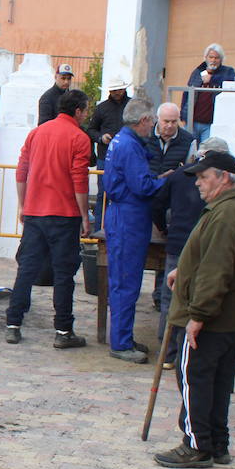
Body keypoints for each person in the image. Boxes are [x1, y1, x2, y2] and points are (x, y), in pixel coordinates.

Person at [153, 150, 235, 468]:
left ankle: (197, 445)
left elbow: (217, 268)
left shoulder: (227, 213)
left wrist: (198, 315)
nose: (198, 182)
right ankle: (215, 443)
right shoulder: (232, 207)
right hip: (230, 313)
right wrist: (182, 271)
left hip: (216, 314)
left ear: (224, 177)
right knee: (216, 380)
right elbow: (210, 257)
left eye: (204, 176)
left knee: (195, 377)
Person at [4, 89, 92, 348]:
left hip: (35, 212)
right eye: (85, 110)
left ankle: (13, 323)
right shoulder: (79, 137)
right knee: (64, 274)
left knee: (26, 270)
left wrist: (23, 204)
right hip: (64, 215)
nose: (86, 115)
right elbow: (80, 181)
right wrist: (85, 216)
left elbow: (22, 171)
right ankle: (63, 331)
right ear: (77, 111)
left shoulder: (37, 133)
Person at [153, 137, 230, 370]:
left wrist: (164, 228)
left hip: (180, 242)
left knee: (172, 298)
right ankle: (188, 351)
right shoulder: (214, 182)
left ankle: (168, 353)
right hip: (199, 245)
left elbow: (157, 205)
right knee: (195, 296)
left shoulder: (179, 175)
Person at [103, 98, 167, 364]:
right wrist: (168, 182)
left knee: (123, 281)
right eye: (152, 121)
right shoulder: (129, 146)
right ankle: (120, 342)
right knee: (126, 283)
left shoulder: (123, 140)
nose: (153, 126)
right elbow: (142, 186)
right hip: (128, 218)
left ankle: (123, 337)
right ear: (142, 121)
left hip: (124, 216)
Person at [148, 101, 197, 311]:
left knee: (167, 249)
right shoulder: (146, 136)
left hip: (170, 202)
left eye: (174, 122)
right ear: (158, 120)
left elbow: (189, 170)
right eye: (166, 121)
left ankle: (161, 294)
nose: (169, 126)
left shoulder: (188, 141)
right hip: (146, 196)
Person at [85, 78, 131, 227]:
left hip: (127, 158)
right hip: (105, 158)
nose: (117, 92)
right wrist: (100, 137)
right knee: (102, 195)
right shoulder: (101, 108)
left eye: (119, 89)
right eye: (114, 90)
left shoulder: (132, 107)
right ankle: (99, 230)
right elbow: (91, 130)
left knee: (126, 194)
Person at [183, 44, 235, 141]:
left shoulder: (227, 72)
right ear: (206, 58)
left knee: (206, 152)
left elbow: (234, 81)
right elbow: (187, 93)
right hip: (192, 122)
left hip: (211, 123)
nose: (213, 60)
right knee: (189, 150)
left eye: (217, 58)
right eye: (211, 57)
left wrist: (212, 79)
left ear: (221, 59)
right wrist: (182, 115)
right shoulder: (197, 71)